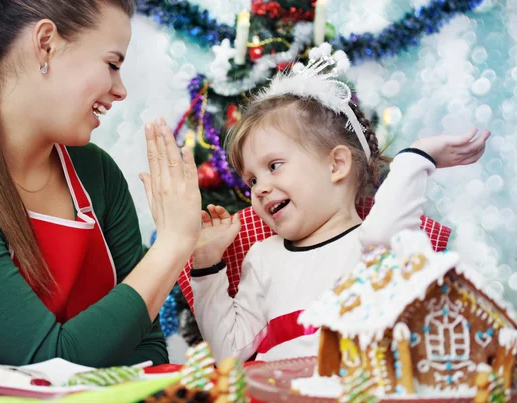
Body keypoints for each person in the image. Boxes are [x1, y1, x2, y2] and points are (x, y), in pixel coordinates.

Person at [0, 0, 201, 401]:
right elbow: (46, 361)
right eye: (112, 64)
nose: (120, 90)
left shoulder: (96, 173)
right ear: (46, 44)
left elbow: (147, 350)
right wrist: (171, 246)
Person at [189, 44, 490, 362]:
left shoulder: (375, 243)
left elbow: (386, 229)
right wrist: (207, 265)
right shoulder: (263, 257)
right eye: (252, 180)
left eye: (274, 166)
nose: (259, 189)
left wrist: (416, 157)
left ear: (336, 165)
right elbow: (229, 352)